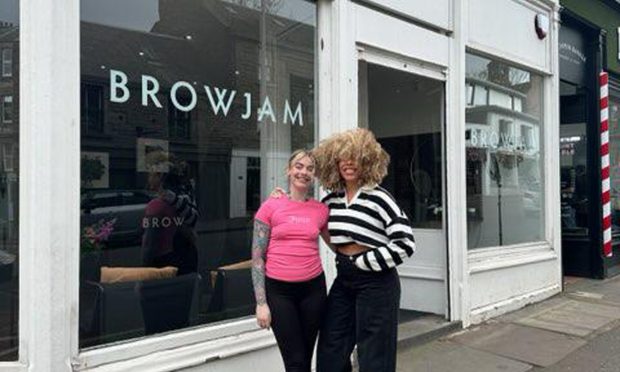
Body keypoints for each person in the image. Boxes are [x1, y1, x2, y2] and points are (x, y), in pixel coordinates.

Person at [313, 128, 416, 372]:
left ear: (366, 161)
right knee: (331, 348)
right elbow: (310, 219)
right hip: (345, 279)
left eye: (355, 157)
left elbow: (405, 243)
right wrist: (281, 199)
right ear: (334, 162)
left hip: (377, 282)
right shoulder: (331, 201)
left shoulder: (380, 198)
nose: (348, 163)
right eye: (342, 158)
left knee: (374, 354)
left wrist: (362, 261)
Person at [251, 149, 330, 372]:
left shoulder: (321, 210)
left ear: (314, 175)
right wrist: (261, 303)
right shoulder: (270, 206)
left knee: (305, 356)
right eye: (298, 166)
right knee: (294, 361)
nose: (303, 172)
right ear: (288, 170)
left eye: (310, 168)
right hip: (279, 293)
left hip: (313, 290)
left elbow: (337, 243)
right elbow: (257, 258)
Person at [142, 155, 199, 275]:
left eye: (150, 174)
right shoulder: (184, 200)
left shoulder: (156, 205)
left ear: (160, 177)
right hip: (187, 259)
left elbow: (149, 245)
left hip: (164, 265)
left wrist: (144, 272)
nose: (148, 178)